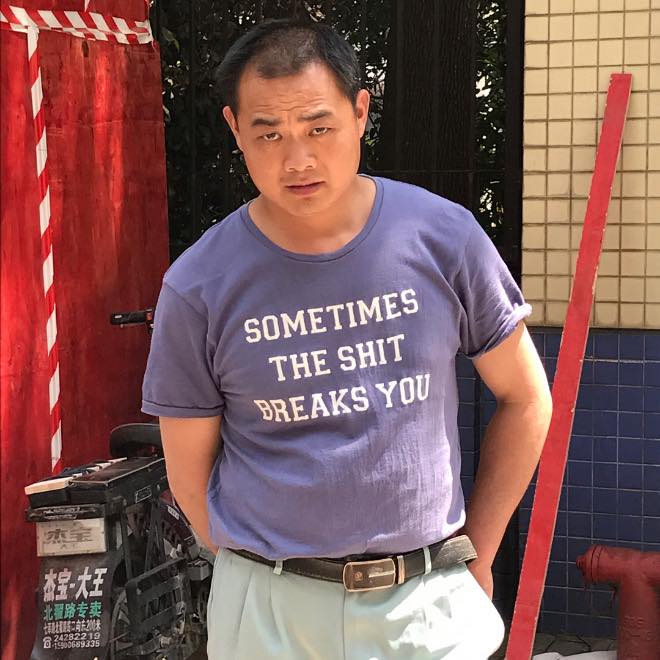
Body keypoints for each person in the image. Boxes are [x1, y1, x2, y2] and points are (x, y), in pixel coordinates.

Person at [141, 18, 552, 659]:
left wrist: (481, 548)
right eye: (268, 133)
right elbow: (189, 471)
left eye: (318, 128)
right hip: (269, 615)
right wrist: (256, 576)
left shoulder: (443, 239)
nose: (297, 160)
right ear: (234, 129)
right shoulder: (198, 285)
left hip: (424, 603)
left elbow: (526, 398)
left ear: (360, 113)